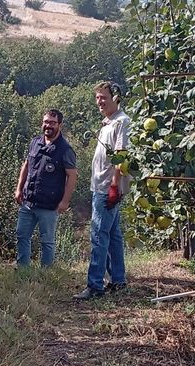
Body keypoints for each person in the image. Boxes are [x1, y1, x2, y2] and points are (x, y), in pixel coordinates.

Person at [73, 81, 131, 300]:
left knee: (98, 234)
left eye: (103, 97)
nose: (99, 101)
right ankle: (118, 280)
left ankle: (95, 285)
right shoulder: (108, 122)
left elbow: (121, 156)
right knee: (113, 235)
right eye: (97, 97)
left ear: (115, 97)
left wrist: (114, 186)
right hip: (100, 186)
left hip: (107, 188)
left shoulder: (122, 122)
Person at [14, 109, 77, 267]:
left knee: (47, 242)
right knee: (22, 236)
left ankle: (46, 275)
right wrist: (19, 189)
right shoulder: (35, 142)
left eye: (52, 123)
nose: (48, 125)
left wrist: (65, 202)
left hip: (49, 205)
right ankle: (23, 271)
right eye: (46, 122)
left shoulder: (65, 150)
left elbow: (72, 176)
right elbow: (26, 165)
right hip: (28, 201)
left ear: (60, 125)